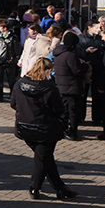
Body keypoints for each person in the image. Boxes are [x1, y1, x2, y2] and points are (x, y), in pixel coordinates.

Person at [10, 58, 78, 200]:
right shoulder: (50, 88)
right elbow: (59, 109)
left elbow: (13, 103)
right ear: (47, 71)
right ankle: (35, 187)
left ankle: (60, 188)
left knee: (45, 158)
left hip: (25, 128)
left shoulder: (20, 84)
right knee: (42, 159)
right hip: (45, 129)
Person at [53, 31, 88, 141]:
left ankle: (62, 129)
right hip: (71, 86)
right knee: (73, 111)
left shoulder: (58, 53)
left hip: (60, 85)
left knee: (63, 110)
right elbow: (77, 70)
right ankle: (72, 131)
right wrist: (85, 66)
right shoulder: (71, 55)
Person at [0, 20, 22, 102]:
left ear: (5, 28)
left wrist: (15, 58)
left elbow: (16, 49)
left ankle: (13, 97)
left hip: (10, 61)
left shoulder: (13, 37)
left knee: (11, 80)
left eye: (0, 27)